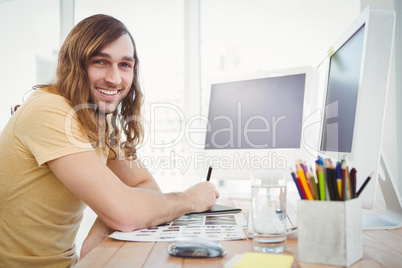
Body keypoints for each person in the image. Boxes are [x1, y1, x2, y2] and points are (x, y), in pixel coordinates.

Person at [0, 14, 219, 267]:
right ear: (75, 64)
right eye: (100, 61)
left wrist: (101, 229)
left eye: (125, 65)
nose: (115, 79)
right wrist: (190, 200)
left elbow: (146, 185)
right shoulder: (48, 109)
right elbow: (126, 213)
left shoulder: (95, 122)